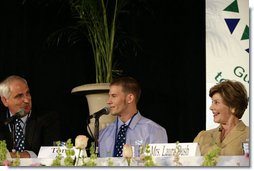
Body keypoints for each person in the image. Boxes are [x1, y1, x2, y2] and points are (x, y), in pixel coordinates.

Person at [98, 76, 168, 157]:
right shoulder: (104, 134)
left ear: (130, 98)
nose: (108, 101)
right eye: (109, 96)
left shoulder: (154, 131)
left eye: (114, 96)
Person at [0, 75, 61, 158]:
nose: (26, 100)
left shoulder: (48, 118)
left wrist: (18, 156)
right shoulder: (2, 121)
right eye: (19, 96)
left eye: (27, 93)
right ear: (5, 101)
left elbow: (51, 152)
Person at [194, 79, 249, 155]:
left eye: (216, 102)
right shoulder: (202, 137)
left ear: (233, 107)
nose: (211, 107)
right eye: (212, 102)